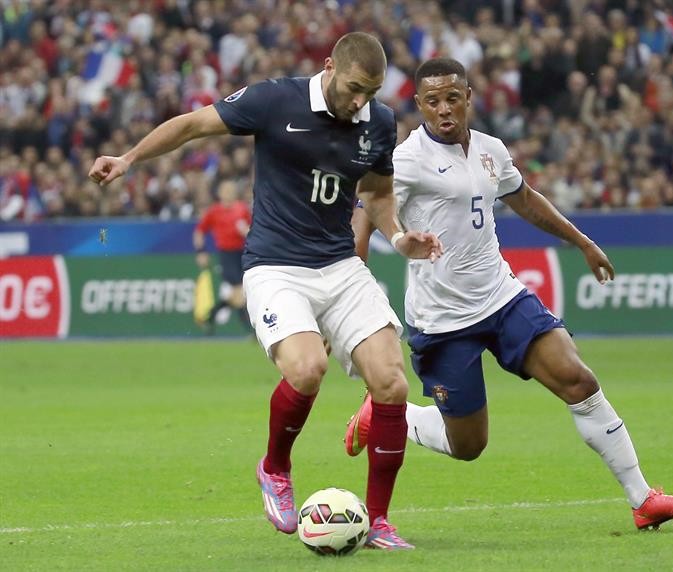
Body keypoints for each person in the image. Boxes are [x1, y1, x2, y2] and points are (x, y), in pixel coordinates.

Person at [89, 32, 443, 550]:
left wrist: (398, 235)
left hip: (340, 265)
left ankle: (380, 523)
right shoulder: (275, 100)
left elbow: (377, 193)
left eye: (371, 92)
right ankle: (275, 467)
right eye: (353, 89)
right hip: (277, 267)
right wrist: (128, 158)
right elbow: (192, 124)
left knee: (392, 383)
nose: (360, 102)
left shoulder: (381, 122)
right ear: (329, 66)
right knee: (307, 369)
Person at [345, 58, 673, 531]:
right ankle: (390, 414)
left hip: (501, 296)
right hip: (442, 320)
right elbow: (368, 209)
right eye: (432, 101)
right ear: (420, 106)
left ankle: (643, 499)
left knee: (578, 380)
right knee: (468, 445)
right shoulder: (407, 160)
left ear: (468, 97)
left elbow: (526, 199)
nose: (444, 109)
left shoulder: (490, 149)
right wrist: (359, 282)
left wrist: (582, 242)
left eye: (452, 98)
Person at [193, 179, 252, 332]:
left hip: (242, 254)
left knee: (240, 293)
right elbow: (199, 232)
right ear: (220, 193)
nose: (228, 193)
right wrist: (201, 251)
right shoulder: (214, 211)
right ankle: (250, 330)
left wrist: (245, 231)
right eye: (225, 190)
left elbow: (252, 232)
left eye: (231, 190)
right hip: (227, 255)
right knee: (239, 291)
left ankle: (210, 317)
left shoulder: (242, 209)